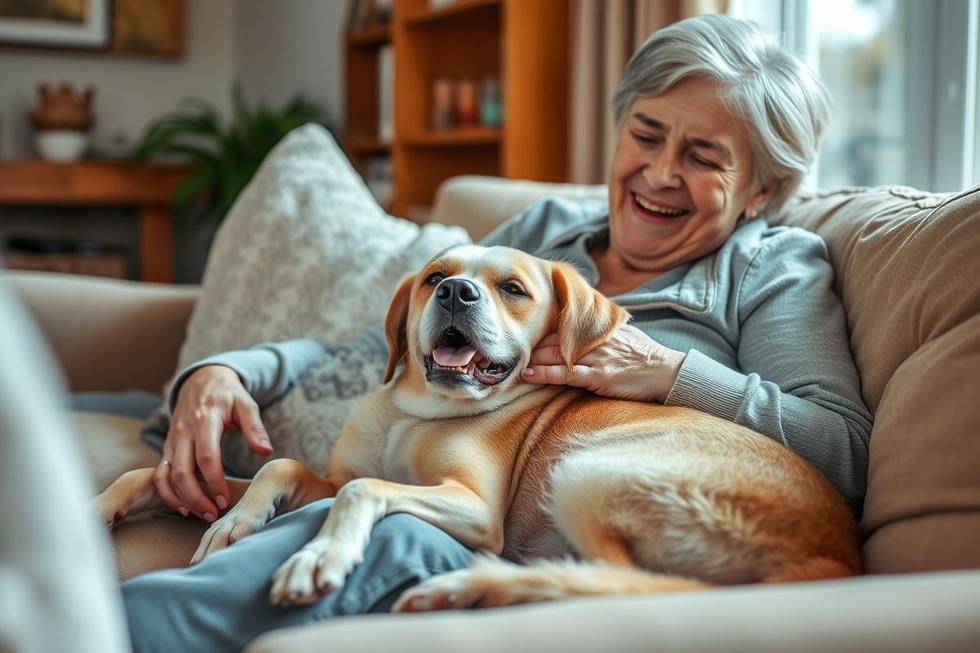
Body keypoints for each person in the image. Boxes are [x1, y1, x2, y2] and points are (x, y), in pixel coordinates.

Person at [123, 14, 872, 652]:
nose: (659, 173)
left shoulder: (775, 266)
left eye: (703, 156)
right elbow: (380, 351)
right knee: (127, 418)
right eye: (646, 134)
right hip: (455, 487)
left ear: (761, 189)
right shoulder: (545, 232)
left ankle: (103, 629)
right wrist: (229, 372)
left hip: (507, 518)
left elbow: (843, 446)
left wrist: (671, 370)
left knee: (368, 521)